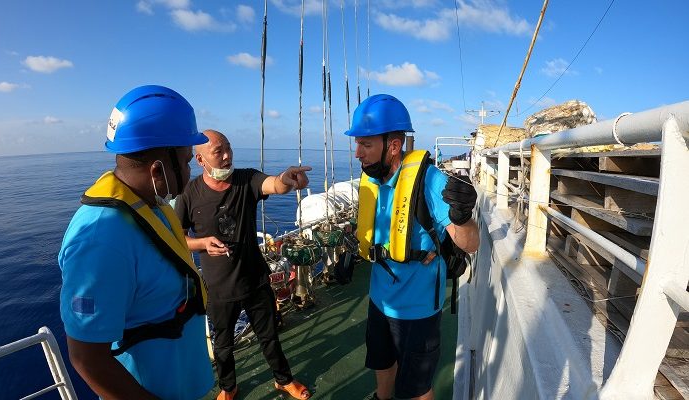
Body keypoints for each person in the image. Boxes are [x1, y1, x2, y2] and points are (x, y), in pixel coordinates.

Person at [58, 85, 215, 399]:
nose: (190, 170)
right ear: (158, 170)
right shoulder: (100, 240)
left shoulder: (152, 206)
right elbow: (88, 358)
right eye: (186, 161)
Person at [345, 94, 480, 400]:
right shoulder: (372, 180)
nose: (357, 153)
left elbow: (471, 244)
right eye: (357, 144)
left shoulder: (430, 181)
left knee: (417, 388)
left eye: (365, 144)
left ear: (393, 146)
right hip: (379, 299)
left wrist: (462, 216)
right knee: (382, 362)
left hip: (418, 310)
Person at [175, 130, 312, 400]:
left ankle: (283, 380)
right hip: (218, 288)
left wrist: (288, 179)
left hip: (255, 279)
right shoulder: (189, 193)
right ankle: (228, 388)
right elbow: (178, 237)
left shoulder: (246, 179)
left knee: (269, 336)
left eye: (228, 148)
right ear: (200, 160)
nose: (227, 156)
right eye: (218, 151)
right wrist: (202, 243)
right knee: (223, 344)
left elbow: (275, 184)